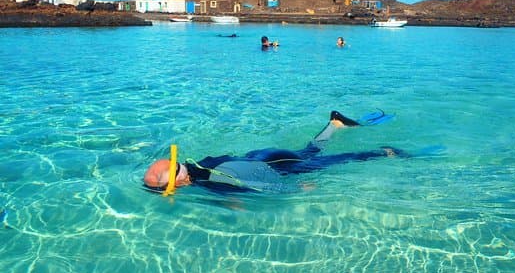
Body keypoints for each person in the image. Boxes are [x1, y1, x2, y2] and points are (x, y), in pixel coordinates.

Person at [143, 110, 403, 194]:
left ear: (179, 181)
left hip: (279, 165)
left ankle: (385, 152)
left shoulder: (210, 181)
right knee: (310, 150)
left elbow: (251, 186)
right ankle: (335, 125)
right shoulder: (198, 164)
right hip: (263, 155)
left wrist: (297, 188)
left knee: (330, 161)